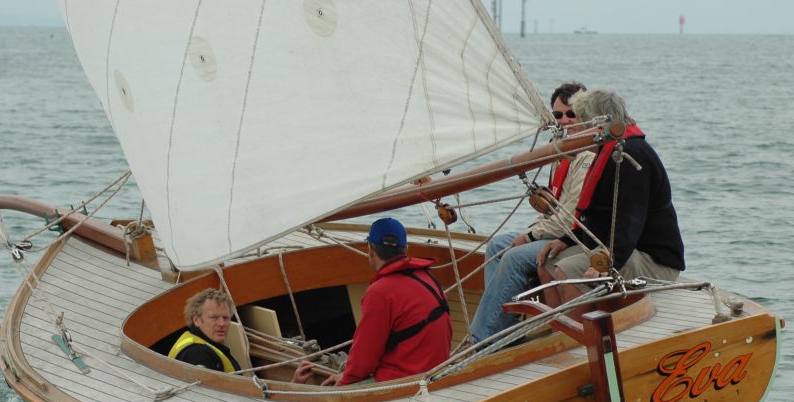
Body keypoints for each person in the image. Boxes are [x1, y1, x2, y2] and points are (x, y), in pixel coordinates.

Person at [470, 82, 595, 343]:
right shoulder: (563, 152)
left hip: (576, 239)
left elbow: (568, 217)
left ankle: (483, 339)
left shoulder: (586, 155)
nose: (564, 121)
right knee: (497, 246)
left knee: (514, 256)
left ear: (584, 114)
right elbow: (553, 211)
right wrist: (530, 232)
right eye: (558, 115)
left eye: (571, 114)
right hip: (556, 230)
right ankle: (505, 331)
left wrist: (529, 237)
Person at [539, 89, 685, 309]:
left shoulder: (629, 157)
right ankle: (557, 325)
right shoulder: (610, 152)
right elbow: (601, 215)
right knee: (548, 261)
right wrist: (567, 240)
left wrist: (609, 262)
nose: (578, 130)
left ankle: (578, 338)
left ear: (596, 125)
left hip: (652, 259)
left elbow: (630, 220)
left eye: (583, 123)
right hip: (621, 247)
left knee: (566, 271)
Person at [293, 217, 452, 386]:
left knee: (325, 396)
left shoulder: (380, 292)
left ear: (370, 249)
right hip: (437, 371)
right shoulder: (429, 278)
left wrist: (345, 379)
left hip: (404, 381)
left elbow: (365, 355)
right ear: (405, 249)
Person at [169, 288, 242, 373]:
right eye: (213, 317)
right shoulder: (198, 355)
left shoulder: (191, 339)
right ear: (196, 320)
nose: (222, 324)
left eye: (225, 318)